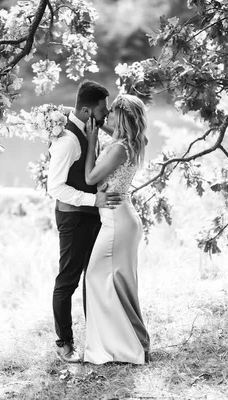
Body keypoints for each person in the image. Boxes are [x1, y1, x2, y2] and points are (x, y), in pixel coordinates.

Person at [47, 80, 123, 363]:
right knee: (68, 281)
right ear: (87, 110)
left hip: (92, 215)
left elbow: (121, 132)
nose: (107, 115)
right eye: (103, 110)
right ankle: (64, 344)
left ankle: (98, 340)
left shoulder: (87, 127)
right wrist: (95, 200)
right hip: (74, 217)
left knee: (94, 279)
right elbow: (55, 187)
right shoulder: (67, 141)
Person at [83, 93, 150, 364]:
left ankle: (123, 345)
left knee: (96, 278)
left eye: (112, 113)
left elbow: (90, 178)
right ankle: (131, 343)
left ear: (120, 119)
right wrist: (100, 127)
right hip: (123, 219)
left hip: (116, 222)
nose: (107, 116)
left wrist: (90, 142)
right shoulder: (136, 142)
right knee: (122, 284)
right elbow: (123, 130)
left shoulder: (119, 148)